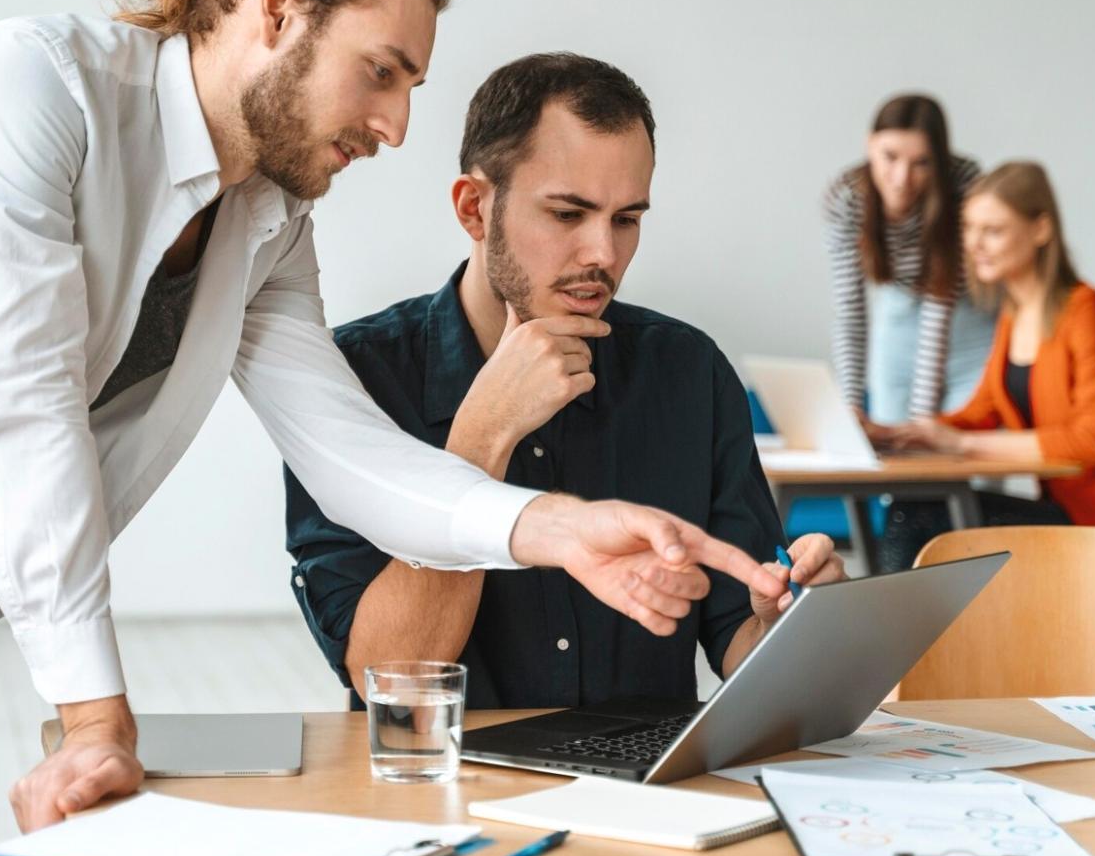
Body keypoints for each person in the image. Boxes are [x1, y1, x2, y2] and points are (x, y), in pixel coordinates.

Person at [0, 0, 781, 856]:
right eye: (379, 74)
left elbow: (351, 455)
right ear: (278, 7)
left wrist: (554, 526)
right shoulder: (31, 91)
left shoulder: (266, 224)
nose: (396, 124)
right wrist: (100, 721)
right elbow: (21, 413)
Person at [285, 53, 844, 709]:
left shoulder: (688, 373)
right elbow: (390, 679)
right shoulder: (356, 380)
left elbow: (735, 638)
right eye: (567, 214)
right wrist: (481, 439)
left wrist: (789, 625)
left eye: (627, 218)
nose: (603, 254)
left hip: (650, 799)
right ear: (474, 209)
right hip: (450, 791)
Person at [877, 161, 1095, 569]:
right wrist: (899, 434)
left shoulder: (1086, 310)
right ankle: (908, 632)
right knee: (915, 507)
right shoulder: (1014, 314)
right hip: (1070, 515)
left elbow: (1091, 442)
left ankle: (898, 634)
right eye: (969, 228)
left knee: (920, 514)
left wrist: (961, 445)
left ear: (1040, 230)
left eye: (993, 230)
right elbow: (983, 412)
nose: (974, 243)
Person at [824, 94, 995, 424]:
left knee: (968, 458)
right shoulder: (846, 198)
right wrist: (851, 404)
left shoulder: (964, 183)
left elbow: (940, 300)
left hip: (967, 322)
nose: (902, 178)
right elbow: (849, 310)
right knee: (894, 459)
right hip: (899, 322)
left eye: (922, 163)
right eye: (889, 157)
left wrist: (922, 420)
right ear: (869, 145)